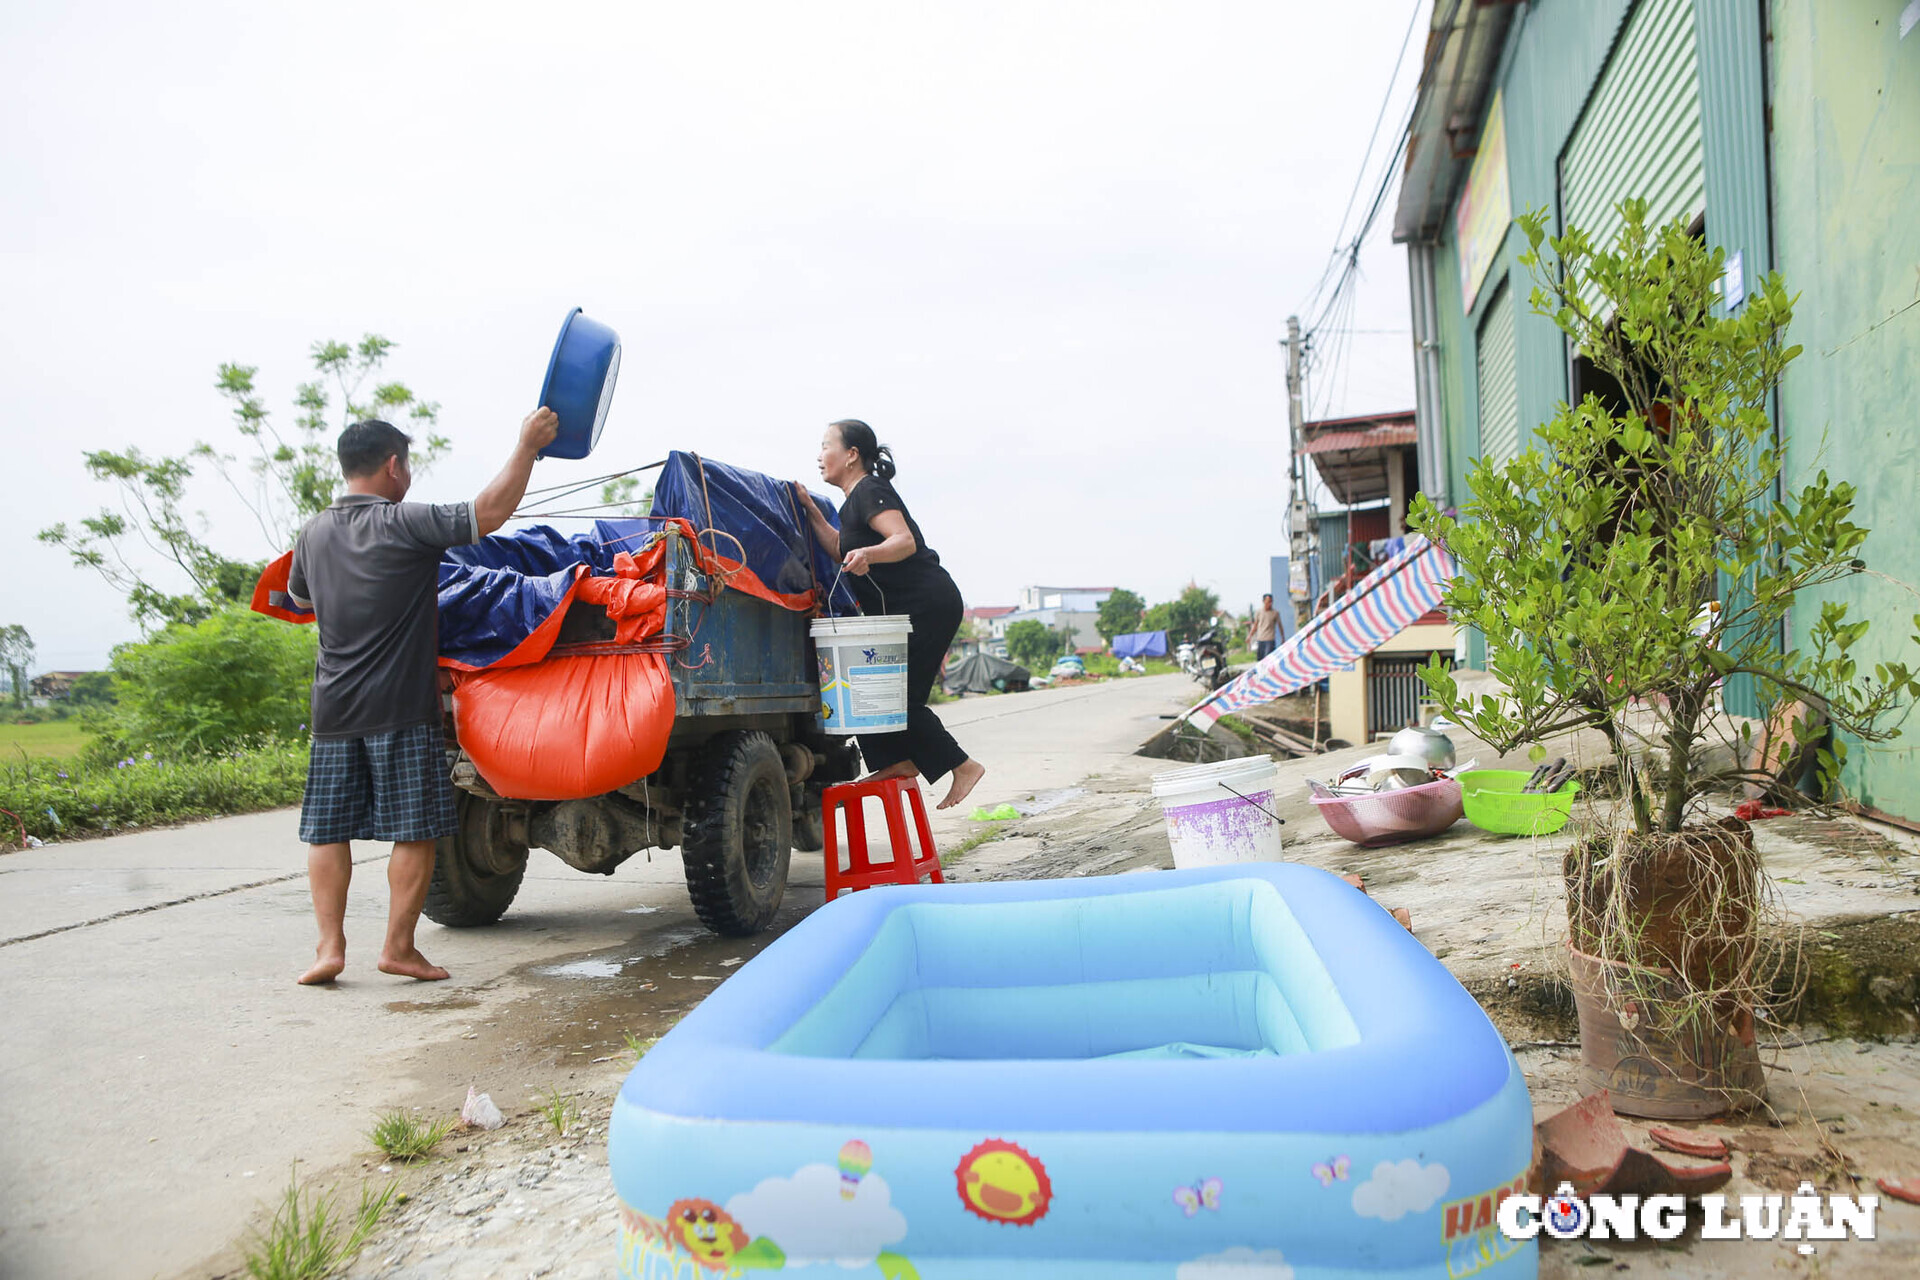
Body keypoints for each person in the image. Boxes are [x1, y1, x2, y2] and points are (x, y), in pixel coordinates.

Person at [287, 408, 559, 985]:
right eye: (406, 465)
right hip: (399, 707)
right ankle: (397, 949)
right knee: (414, 829)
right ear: (393, 467)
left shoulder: (311, 533)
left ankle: (328, 951)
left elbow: (302, 599)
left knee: (326, 830)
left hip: (333, 708)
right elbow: (488, 513)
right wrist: (527, 446)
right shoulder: (404, 523)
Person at [795, 419, 986, 811]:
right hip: (904, 612)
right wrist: (811, 509)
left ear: (851, 455)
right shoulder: (852, 504)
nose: (819, 455)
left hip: (927, 603)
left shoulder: (871, 490)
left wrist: (869, 554)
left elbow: (903, 541)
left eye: (826, 445)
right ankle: (896, 761)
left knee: (896, 699)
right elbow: (838, 547)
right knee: (873, 695)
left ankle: (963, 766)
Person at [1248, 593, 1282, 661]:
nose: (1270, 603)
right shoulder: (1258, 612)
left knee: (1268, 659)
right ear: (1263, 601)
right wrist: (1249, 636)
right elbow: (1255, 626)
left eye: (1271, 601)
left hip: (1270, 640)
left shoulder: (1275, 613)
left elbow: (1280, 626)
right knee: (1260, 660)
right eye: (1268, 601)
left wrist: (1282, 638)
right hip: (1260, 639)